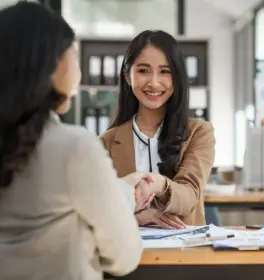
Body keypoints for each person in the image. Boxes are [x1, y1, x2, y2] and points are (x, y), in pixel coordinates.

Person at [0, 3, 153, 280]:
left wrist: (122, 189)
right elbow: (123, 256)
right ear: (51, 63)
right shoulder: (74, 147)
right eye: (73, 53)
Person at [100, 30, 216, 228]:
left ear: (177, 77)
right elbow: (98, 208)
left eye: (165, 71)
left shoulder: (199, 132)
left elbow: (189, 196)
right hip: (130, 253)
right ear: (128, 76)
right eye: (143, 71)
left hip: (185, 253)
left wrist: (159, 184)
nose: (154, 82)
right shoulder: (106, 142)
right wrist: (136, 218)